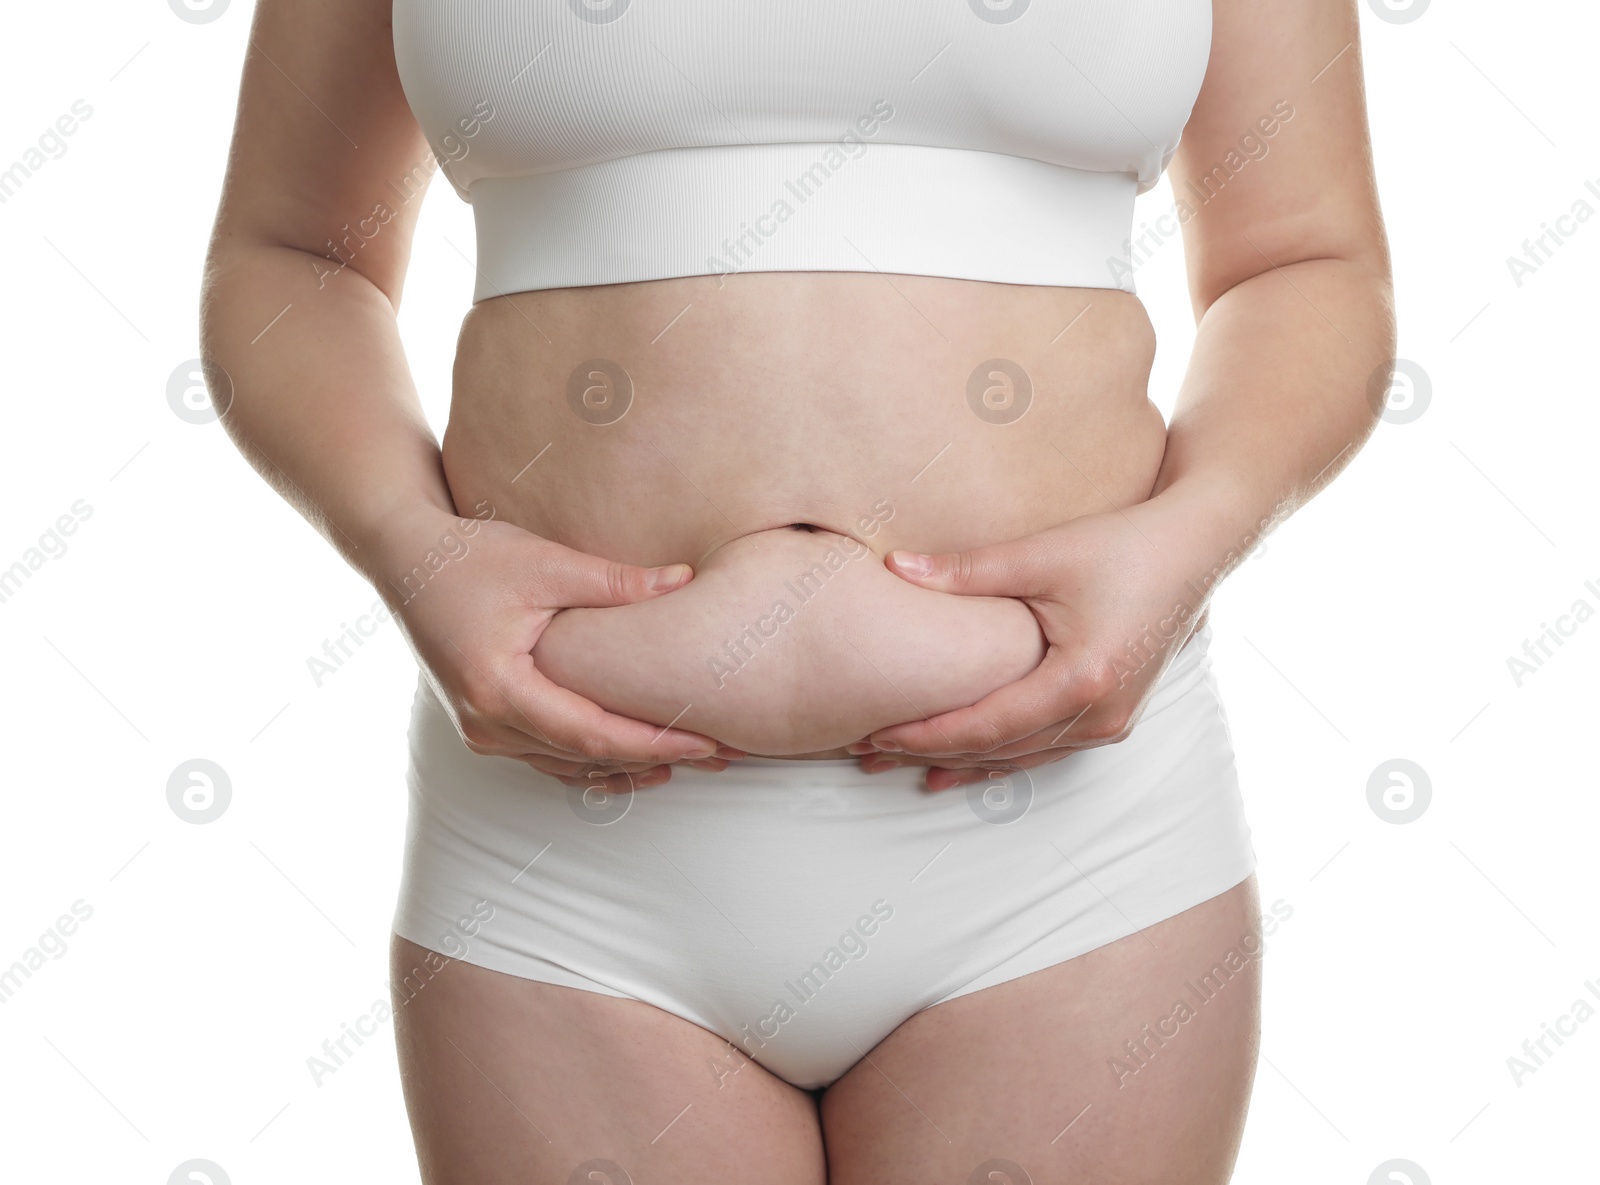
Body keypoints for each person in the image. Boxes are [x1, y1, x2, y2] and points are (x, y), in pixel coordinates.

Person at [200, 0, 1393, 1180]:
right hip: (564, 863)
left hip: (1068, 850)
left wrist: (1192, 537)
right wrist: (408, 544)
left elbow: (1302, 257)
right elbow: (290, 252)